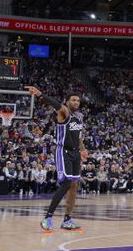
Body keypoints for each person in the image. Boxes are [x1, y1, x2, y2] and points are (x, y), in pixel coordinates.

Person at [26, 86, 88, 232]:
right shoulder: (64, 112)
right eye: (73, 100)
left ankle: (67, 219)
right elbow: (55, 104)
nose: (76, 102)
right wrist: (40, 94)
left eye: (78, 100)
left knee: (74, 186)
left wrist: (83, 148)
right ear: (67, 102)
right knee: (66, 184)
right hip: (63, 151)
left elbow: (78, 136)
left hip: (75, 153)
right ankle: (47, 218)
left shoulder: (79, 117)